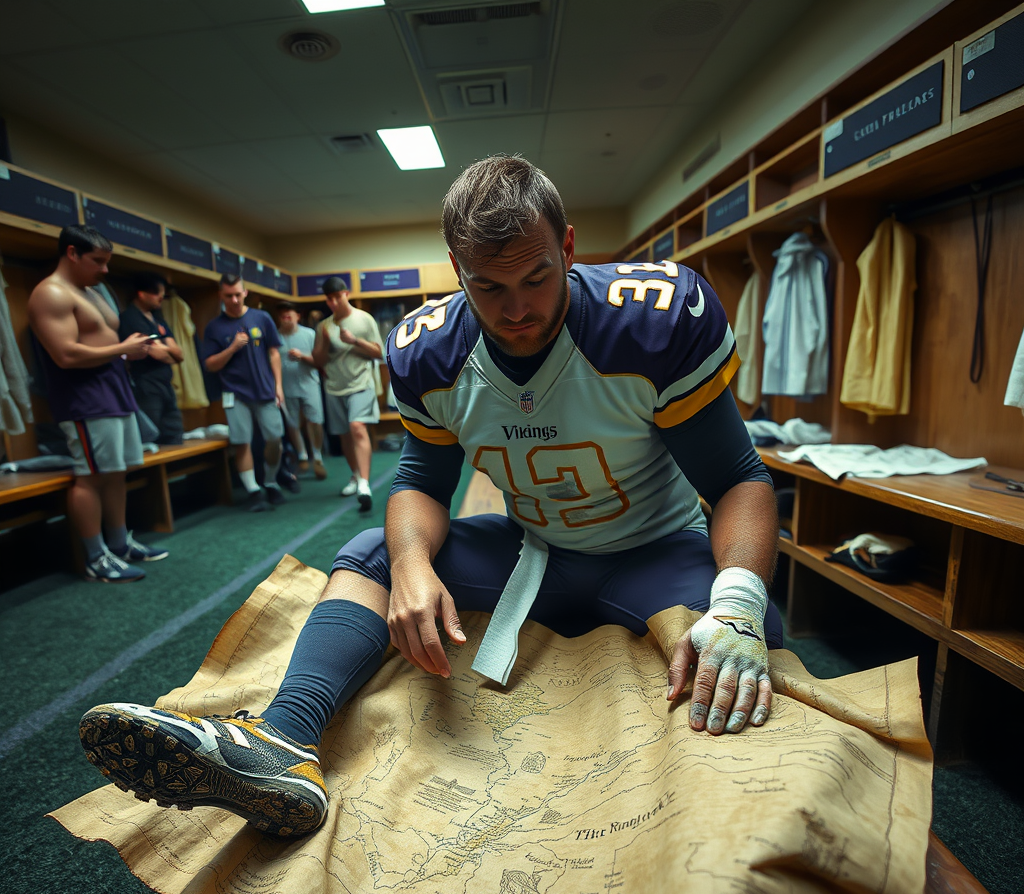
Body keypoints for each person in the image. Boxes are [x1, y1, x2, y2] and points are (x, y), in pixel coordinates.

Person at [80, 156, 782, 838]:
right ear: (457, 271)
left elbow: (737, 480)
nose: (518, 309)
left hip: (653, 553)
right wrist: (413, 567)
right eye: (489, 288)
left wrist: (739, 604)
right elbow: (418, 482)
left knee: (753, 641)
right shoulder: (431, 348)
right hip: (537, 555)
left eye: (538, 277)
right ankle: (283, 740)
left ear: (568, 246)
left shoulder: (654, 319)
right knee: (376, 553)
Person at [28, 225, 168, 582]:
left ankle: (119, 544)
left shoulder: (92, 291)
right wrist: (122, 348)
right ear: (72, 253)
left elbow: (100, 341)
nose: (106, 270)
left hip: (114, 391)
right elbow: (65, 354)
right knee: (90, 476)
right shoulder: (50, 293)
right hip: (85, 400)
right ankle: (95, 557)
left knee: (116, 472)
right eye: (98, 261)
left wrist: (128, 353)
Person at [202, 275, 286, 512]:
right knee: (242, 443)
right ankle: (253, 491)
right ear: (221, 296)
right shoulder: (214, 327)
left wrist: (278, 385)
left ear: (245, 292)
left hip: (266, 391)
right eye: (229, 295)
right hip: (235, 394)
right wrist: (232, 348)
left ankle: (270, 482)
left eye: (238, 294)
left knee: (274, 439)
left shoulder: (262, 317)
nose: (235, 299)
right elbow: (210, 365)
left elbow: (274, 353)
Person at [312, 277, 382, 510]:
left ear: (346, 294)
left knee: (357, 427)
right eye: (328, 299)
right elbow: (318, 361)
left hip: (361, 383)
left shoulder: (363, 319)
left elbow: (378, 353)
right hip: (334, 386)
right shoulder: (323, 326)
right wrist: (323, 342)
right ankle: (355, 476)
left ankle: (364, 484)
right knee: (344, 435)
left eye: (336, 297)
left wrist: (355, 341)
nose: (333, 303)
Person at [118, 272, 184, 445]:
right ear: (141, 293)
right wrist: (167, 351)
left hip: (166, 385)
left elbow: (178, 354)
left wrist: (165, 350)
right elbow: (160, 354)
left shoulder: (158, 319)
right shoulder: (130, 318)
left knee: (175, 435)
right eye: (157, 293)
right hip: (146, 386)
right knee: (151, 438)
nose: (161, 298)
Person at [276, 301, 326, 480]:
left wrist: (302, 356)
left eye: (289, 313)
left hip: (310, 385)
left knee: (316, 421)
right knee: (293, 424)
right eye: (282, 314)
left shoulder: (310, 335)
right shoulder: (275, 337)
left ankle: (317, 456)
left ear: (298, 316)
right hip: (287, 388)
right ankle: (302, 455)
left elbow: (319, 362)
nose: (286, 316)